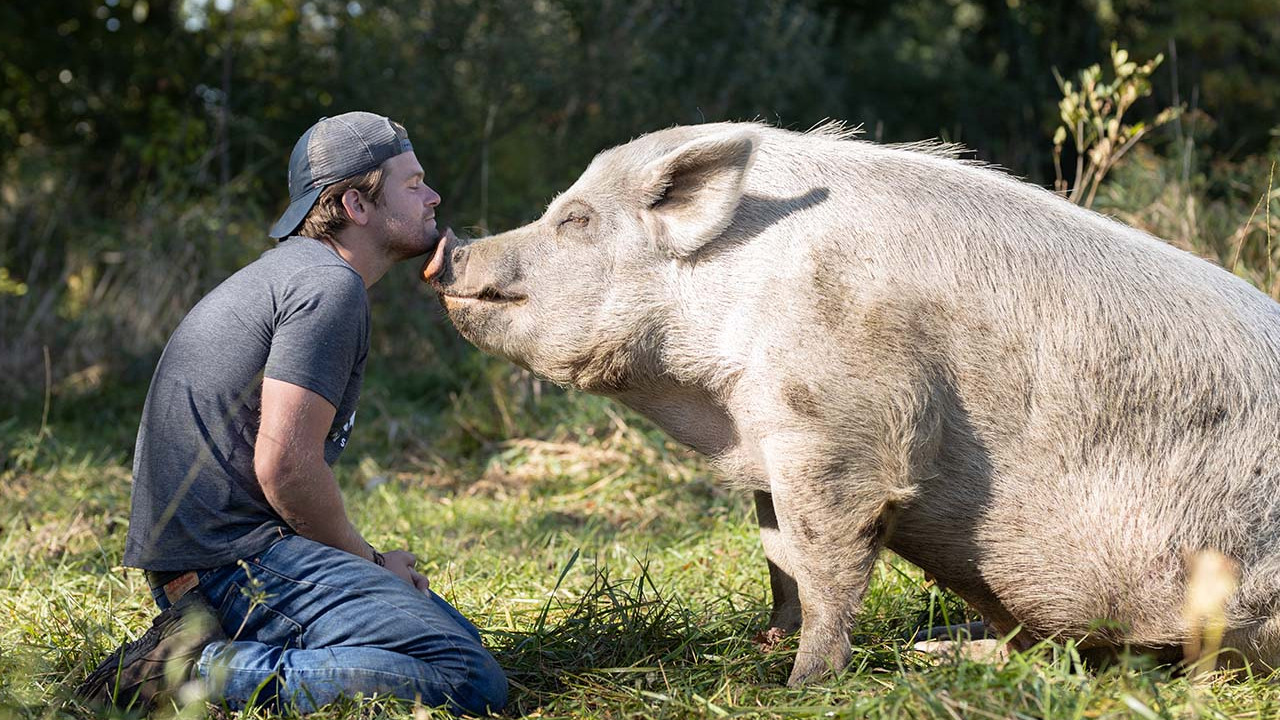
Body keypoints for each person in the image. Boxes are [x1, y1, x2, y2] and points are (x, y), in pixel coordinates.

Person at [75, 112, 508, 715]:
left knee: (454, 643)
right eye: (412, 184)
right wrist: (374, 565)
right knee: (466, 679)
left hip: (218, 564)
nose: (433, 196)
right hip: (232, 568)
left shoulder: (294, 275)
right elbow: (285, 467)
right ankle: (188, 673)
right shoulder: (330, 287)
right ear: (357, 203)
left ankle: (210, 653)